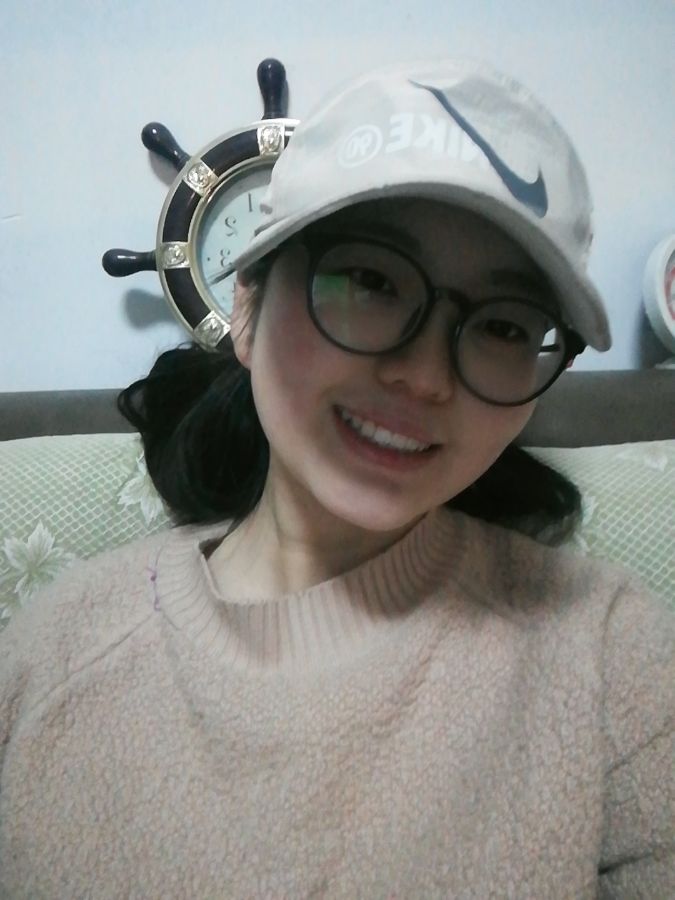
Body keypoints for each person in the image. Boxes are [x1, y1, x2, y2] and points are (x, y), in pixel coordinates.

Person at [0, 59, 672, 898]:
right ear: (247, 308)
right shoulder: (49, 658)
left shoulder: (612, 658)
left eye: (503, 326)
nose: (424, 377)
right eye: (370, 281)